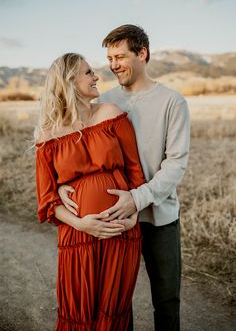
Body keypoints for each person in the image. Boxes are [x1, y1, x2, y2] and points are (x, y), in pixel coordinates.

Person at [59, 25, 190, 331]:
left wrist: (137, 198)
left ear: (142, 53)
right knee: (116, 301)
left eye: (120, 56)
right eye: (109, 57)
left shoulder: (172, 102)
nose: (113, 64)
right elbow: (80, 152)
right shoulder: (103, 102)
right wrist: (68, 184)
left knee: (167, 298)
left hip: (158, 216)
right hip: (111, 218)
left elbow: (176, 164)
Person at [35, 52, 145, 330]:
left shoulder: (111, 114)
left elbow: (135, 172)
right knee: (79, 310)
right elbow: (47, 200)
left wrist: (135, 212)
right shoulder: (48, 134)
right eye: (88, 72)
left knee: (113, 309)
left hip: (120, 229)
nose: (97, 76)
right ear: (69, 81)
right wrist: (82, 223)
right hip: (76, 236)